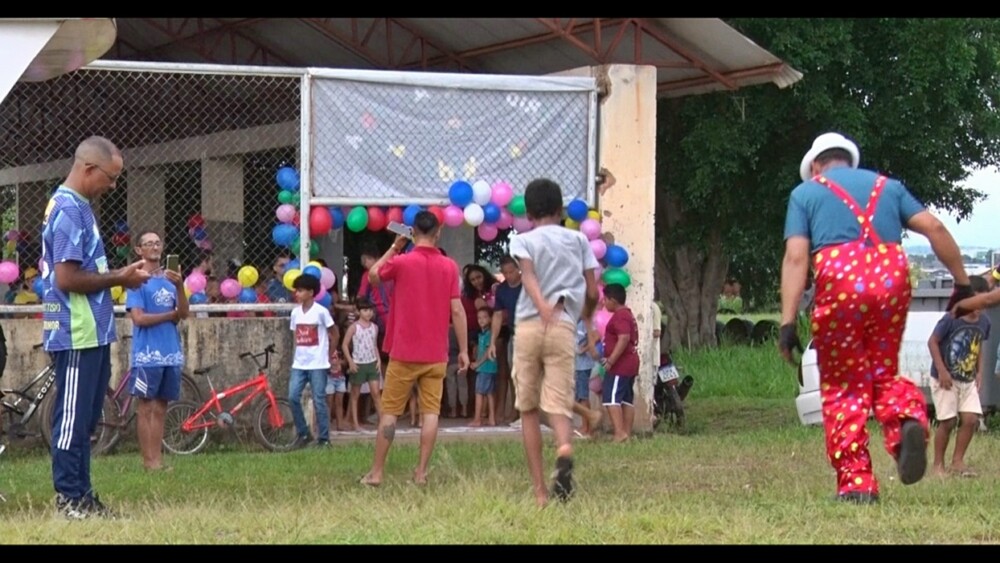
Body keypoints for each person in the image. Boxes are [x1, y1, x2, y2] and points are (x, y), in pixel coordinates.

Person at [778, 132, 973, 504]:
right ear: (849, 161)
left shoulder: (805, 194)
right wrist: (962, 283)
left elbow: (796, 257)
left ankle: (857, 483)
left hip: (840, 277)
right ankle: (905, 420)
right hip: (891, 272)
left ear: (816, 167)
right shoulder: (889, 186)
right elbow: (934, 228)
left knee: (844, 384)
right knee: (881, 371)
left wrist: (787, 322)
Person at [42, 136, 150, 519]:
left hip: (93, 331)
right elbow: (67, 278)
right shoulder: (69, 210)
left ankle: (84, 496)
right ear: (88, 169)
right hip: (76, 330)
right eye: (111, 177)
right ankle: (69, 500)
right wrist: (120, 277)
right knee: (72, 419)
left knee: (86, 419)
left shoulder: (80, 207)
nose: (114, 185)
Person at [508, 178, 600, 507]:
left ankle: (540, 492)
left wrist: (541, 304)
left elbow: (528, 275)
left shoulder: (523, 241)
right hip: (563, 326)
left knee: (529, 408)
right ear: (561, 210)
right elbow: (592, 291)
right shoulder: (578, 240)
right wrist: (586, 321)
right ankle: (564, 447)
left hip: (530, 326)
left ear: (528, 213)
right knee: (560, 402)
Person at [360, 211, 469, 487]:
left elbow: (373, 276)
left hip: (404, 352)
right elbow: (457, 310)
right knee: (431, 412)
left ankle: (377, 472)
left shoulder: (403, 261)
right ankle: (420, 472)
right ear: (438, 232)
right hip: (436, 353)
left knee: (390, 413)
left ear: (412, 233)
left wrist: (396, 246)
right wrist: (465, 349)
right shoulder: (449, 266)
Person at [125, 230, 189, 471]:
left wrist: (180, 286)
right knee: (146, 407)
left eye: (157, 242)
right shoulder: (136, 280)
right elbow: (139, 318)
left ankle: (158, 460)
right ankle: (148, 461)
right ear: (139, 250)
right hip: (147, 355)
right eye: (148, 243)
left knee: (161, 406)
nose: (154, 246)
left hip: (170, 352)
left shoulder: (170, 280)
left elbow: (183, 313)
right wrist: (170, 315)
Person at [927, 276, 990, 478]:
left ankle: (958, 461)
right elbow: (933, 342)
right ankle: (938, 465)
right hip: (945, 378)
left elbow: (978, 345)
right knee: (948, 421)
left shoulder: (985, 322)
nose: (978, 307)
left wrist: (980, 371)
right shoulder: (951, 318)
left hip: (967, 377)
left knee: (971, 419)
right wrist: (942, 370)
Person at [288, 273, 336, 447]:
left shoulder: (321, 312)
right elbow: (295, 336)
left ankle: (324, 439)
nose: (297, 294)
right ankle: (304, 433)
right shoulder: (295, 313)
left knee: (319, 400)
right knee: (292, 396)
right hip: (299, 363)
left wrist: (329, 354)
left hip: (318, 364)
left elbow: (334, 333)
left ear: (310, 292)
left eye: (300, 291)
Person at [600, 283, 640, 442]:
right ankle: (626, 434)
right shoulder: (627, 314)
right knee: (626, 399)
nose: (604, 303)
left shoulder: (621, 316)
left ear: (613, 300)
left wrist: (611, 361)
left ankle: (620, 433)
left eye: (606, 299)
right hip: (630, 363)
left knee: (611, 397)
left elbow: (623, 338)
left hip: (621, 365)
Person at [488, 255, 522, 424]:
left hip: (530, 333)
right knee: (513, 374)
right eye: (505, 272)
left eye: (511, 271)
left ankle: (526, 412)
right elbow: (497, 315)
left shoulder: (527, 285)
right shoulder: (502, 290)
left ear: (518, 269)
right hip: (514, 334)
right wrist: (492, 342)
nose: (509, 276)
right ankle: (517, 410)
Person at [343, 299, 383, 431]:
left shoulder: (374, 327)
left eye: (370, 310)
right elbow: (344, 345)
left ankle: (382, 422)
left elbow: (374, 345)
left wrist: (378, 360)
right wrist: (350, 362)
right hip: (358, 363)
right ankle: (355, 423)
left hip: (372, 362)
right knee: (355, 395)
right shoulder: (354, 327)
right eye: (365, 310)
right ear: (359, 312)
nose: (368, 313)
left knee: (376, 393)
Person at [470, 307, 498, 427]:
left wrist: (477, 363)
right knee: (490, 393)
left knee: (479, 393)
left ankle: (477, 419)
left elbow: (487, 352)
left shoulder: (489, 333)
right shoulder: (483, 333)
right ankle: (491, 418)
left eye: (485, 317)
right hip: (491, 368)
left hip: (485, 367)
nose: (481, 320)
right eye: (479, 318)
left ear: (491, 319)